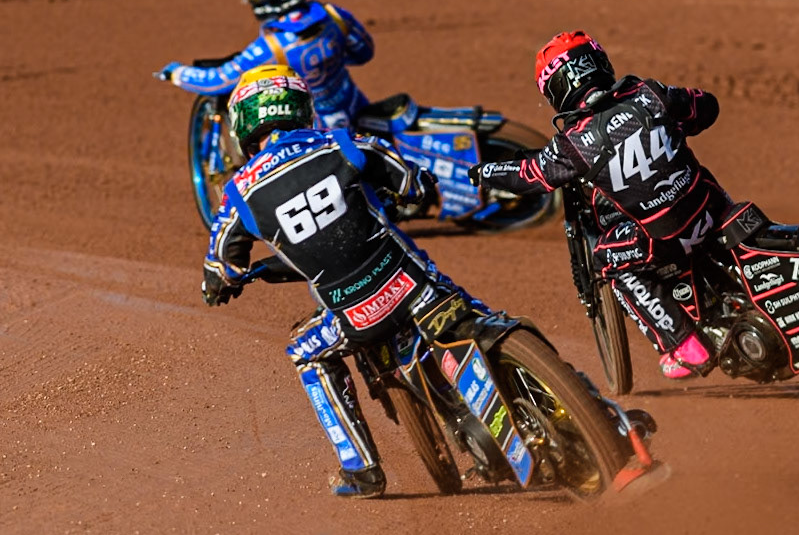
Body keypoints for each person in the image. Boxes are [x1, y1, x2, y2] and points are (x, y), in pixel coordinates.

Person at [200, 64, 481, 498]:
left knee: (304, 351)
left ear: (243, 124)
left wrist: (223, 283)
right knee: (479, 316)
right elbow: (408, 179)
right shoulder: (340, 141)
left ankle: (362, 469)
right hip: (412, 284)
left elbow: (220, 266)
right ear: (301, 108)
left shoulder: (238, 192)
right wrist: (415, 190)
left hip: (352, 316)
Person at [474, 33, 738, 381]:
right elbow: (706, 107)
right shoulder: (648, 93)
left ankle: (684, 344)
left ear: (556, 91)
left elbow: (531, 176)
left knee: (608, 259)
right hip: (713, 207)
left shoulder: (574, 143)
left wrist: (484, 171)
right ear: (600, 64)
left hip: (664, 238)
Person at [156, 0, 374, 130]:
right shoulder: (333, 15)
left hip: (315, 131)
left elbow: (216, 81)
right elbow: (364, 52)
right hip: (356, 110)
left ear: (265, 0)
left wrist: (177, 73)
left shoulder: (268, 48)